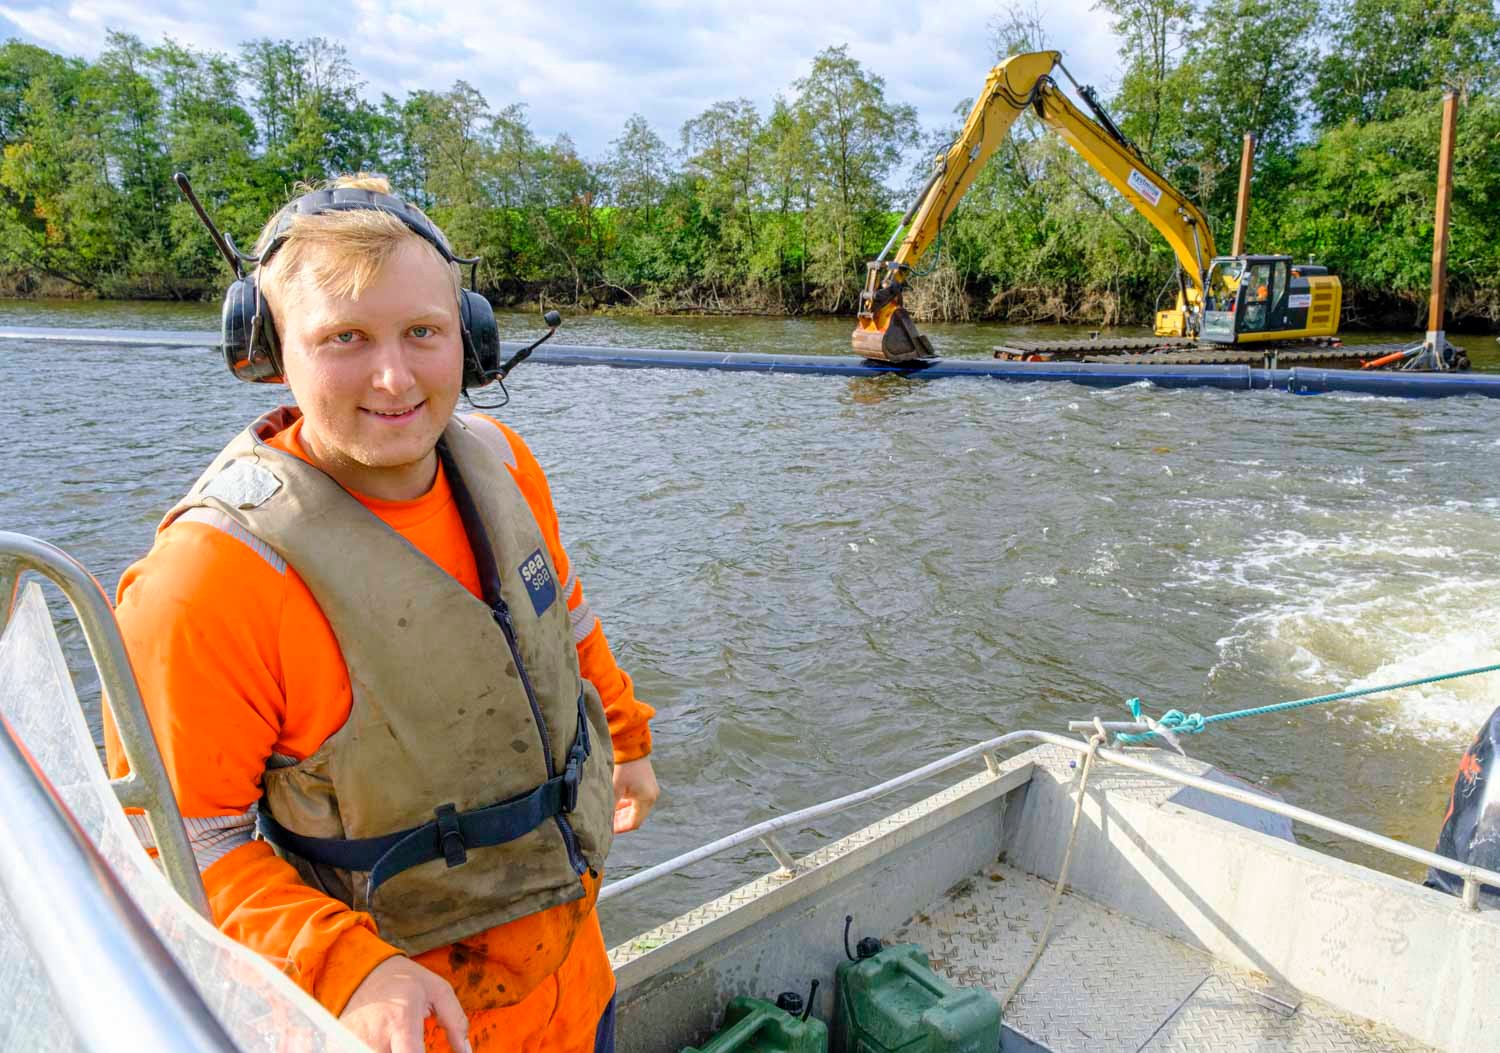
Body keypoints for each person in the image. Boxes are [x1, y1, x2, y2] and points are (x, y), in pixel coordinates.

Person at [105, 173, 658, 1053]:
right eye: (345, 338)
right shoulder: (207, 578)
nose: (395, 376)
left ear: (470, 339)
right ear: (268, 349)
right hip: (407, 1026)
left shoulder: (501, 459)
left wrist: (624, 737)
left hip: (572, 977)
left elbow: (563, 615)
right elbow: (167, 848)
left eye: (423, 333)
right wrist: (345, 967)